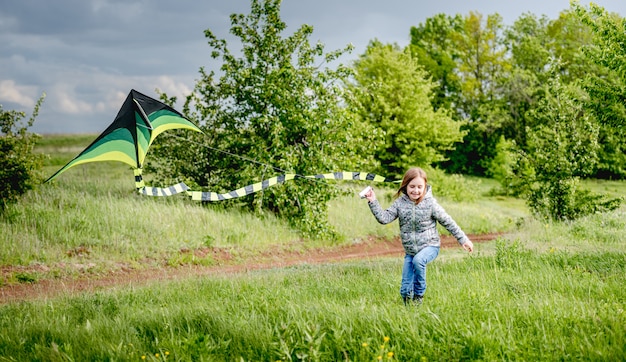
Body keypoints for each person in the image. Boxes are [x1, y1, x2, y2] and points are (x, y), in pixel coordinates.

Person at [363, 167, 473, 305]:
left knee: (419, 261)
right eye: (412, 186)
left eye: (420, 187)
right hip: (410, 252)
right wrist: (372, 201)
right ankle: (410, 310)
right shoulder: (400, 203)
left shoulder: (430, 203)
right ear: (405, 186)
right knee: (404, 291)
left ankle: (419, 294)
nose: (416, 190)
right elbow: (384, 218)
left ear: (425, 186)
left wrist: (463, 239)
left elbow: (448, 222)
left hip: (430, 246)